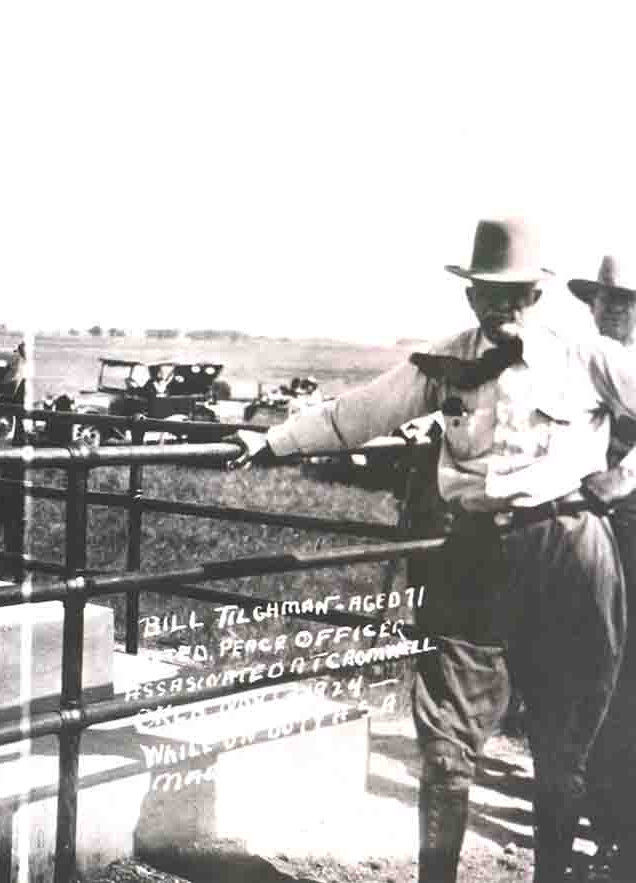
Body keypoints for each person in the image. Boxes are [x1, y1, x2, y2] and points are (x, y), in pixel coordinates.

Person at [248, 218, 636, 883]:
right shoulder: (444, 361)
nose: (501, 305)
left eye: (515, 293)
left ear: (538, 297)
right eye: (488, 291)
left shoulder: (586, 357)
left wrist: (624, 476)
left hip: (570, 552)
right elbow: (360, 412)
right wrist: (273, 440)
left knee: (562, 745)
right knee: (446, 740)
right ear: (469, 296)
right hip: (478, 556)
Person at [569, 256, 636, 879]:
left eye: (626, 301)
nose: (613, 310)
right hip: (596, 537)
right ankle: (606, 833)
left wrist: (625, 476)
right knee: (597, 684)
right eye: (604, 299)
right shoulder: (586, 364)